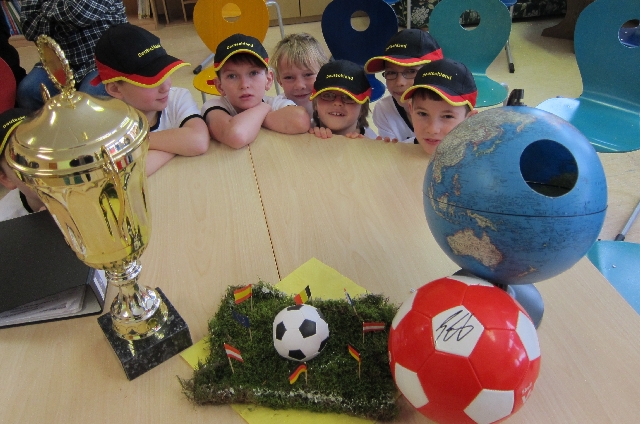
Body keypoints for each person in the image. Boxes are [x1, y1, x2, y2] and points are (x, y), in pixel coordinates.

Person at [92, 23, 210, 176]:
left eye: (166, 73)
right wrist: (177, 145)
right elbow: (130, 174)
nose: (166, 86)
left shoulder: (177, 97)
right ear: (115, 89)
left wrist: (139, 141)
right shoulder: (108, 126)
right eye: (151, 81)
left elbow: (199, 141)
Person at [201, 33, 310, 149]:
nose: (244, 85)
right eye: (232, 76)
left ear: (268, 79)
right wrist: (263, 108)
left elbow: (300, 120)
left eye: (253, 73)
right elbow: (236, 136)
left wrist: (257, 120)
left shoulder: (275, 102)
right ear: (220, 86)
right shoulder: (213, 106)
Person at [17, 0, 127, 111]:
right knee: (28, 90)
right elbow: (29, 28)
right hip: (59, 60)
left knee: (88, 101)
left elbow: (81, 14)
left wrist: (45, 6)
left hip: (104, 58)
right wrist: (67, 18)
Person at [364, 29, 443, 143]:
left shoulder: (453, 112)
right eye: (391, 72)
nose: (399, 82)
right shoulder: (384, 110)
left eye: (411, 71)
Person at [400, 58, 478, 155]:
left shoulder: (481, 158)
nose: (432, 130)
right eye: (423, 114)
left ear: (470, 119)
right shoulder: (399, 152)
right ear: (411, 110)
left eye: (447, 116)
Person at [309, 59, 376, 139]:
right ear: (315, 103)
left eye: (349, 97)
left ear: (362, 108)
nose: (337, 102)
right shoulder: (304, 129)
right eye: (328, 95)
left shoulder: (372, 141)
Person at [270, 33, 329, 124]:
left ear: (323, 74)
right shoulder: (277, 107)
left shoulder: (334, 104)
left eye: (308, 75)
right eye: (289, 77)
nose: (299, 85)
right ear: (279, 81)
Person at [0, 108, 45, 221]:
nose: (42, 162)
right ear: (6, 178)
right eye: (22, 158)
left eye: (46, 145)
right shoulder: (6, 224)